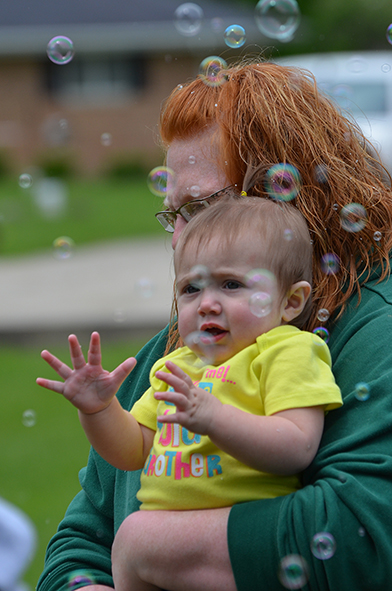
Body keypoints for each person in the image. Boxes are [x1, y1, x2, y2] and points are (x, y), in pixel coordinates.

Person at [36, 58, 392, 591]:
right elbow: (79, 544)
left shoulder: (372, 333)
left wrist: (144, 549)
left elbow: (364, 537)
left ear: (289, 199)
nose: (180, 241)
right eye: (171, 212)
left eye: (201, 207)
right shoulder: (178, 352)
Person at [37, 194, 342, 590]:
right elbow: (132, 450)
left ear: (292, 301)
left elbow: (297, 446)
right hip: (159, 566)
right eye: (191, 289)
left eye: (231, 284)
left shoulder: (287, 351)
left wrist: (213, 417)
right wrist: (98, 411)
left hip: (233, 559)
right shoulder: (177, 366)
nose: (207, 304)